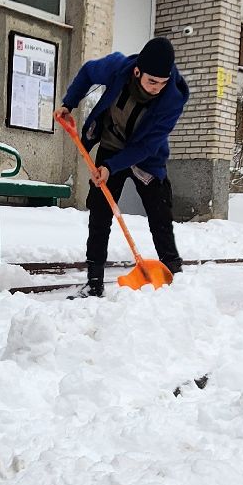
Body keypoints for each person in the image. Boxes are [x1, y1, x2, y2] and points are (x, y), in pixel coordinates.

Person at [54, 38, 189, 297]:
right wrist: (69, 103)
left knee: (160, 216)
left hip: (146, 159)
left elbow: (146, 146)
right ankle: (94, 282)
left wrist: (111, 167)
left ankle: (176, 281)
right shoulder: (119, 68)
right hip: (112, 145)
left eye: (163, 82)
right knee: (100, 213)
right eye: (152, 82)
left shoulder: (172, 99)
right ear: (138, 72)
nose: (157, 88)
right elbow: (88, 72)